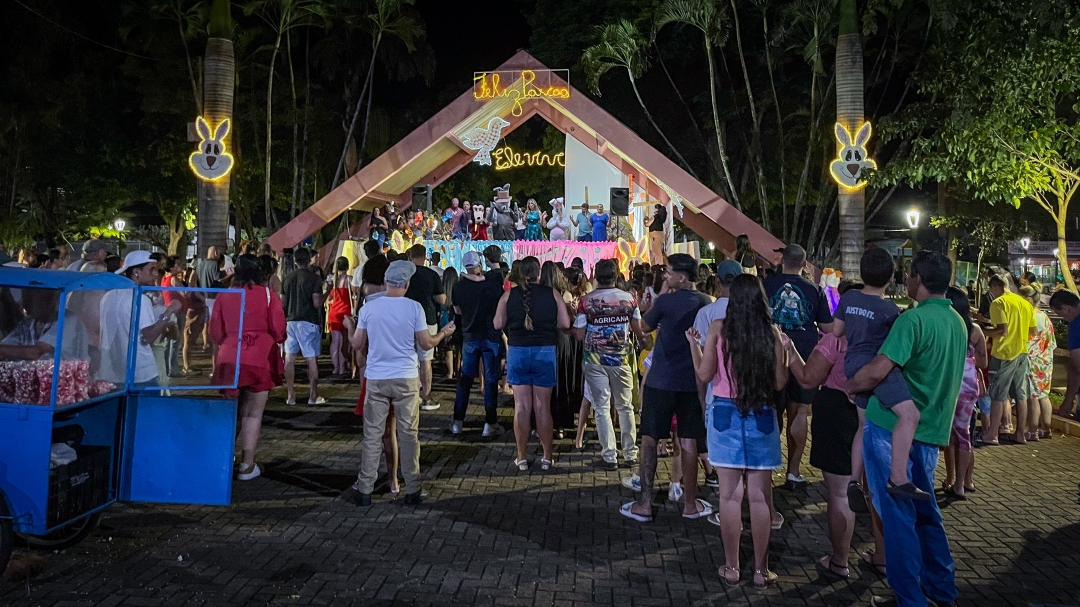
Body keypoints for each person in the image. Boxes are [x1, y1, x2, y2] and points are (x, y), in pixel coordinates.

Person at [847, 251, 965, 607]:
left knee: (897, 518)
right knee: (927, 515)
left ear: (918, 279)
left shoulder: (912, 321)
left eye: (910, 276)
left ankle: (910, 598)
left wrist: (853, 384)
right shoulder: (957, 322)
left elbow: (879, 369)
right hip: (930, 433)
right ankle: (942, 589)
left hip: (889, 429)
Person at [685, 274, 786, 588]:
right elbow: (779, 383)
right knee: (758, 498)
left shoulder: (718, 328)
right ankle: (760, 570)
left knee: (729, 496)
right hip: (761, 413)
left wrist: (694, 345)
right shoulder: (770, 332)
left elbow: (704, 374)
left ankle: (732, 567)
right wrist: (782, 350)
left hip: (725, 413)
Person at [788, 281, 884, 582]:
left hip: (839, 412)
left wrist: (790, 351)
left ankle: (840, 560)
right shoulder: (888, 336)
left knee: (841, 492)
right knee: (877, 490)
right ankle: (882, 557)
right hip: (880, 412)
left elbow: (807, 378)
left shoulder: (836, 341)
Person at [345, 260, 457, 507]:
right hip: (405, 376)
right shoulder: (414, 308)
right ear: (406, 284)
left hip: (376, 377)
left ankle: (365, 488)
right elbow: (426, 344)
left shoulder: (369, 308)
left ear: (386, 282)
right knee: (408, 435)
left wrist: (350, 325)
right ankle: (412, 488)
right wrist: (443, 334)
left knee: (373, 435)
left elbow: (356, 344)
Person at [623, 254, 713, 522]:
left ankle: (645, 503)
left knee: (650, 439)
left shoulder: (666, 301)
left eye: (669, 272)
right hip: (690, 381)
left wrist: (636, 311)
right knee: (688, 440)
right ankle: (690, 504)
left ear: (682, 277)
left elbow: (643, 327)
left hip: (661, 379)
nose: (665, 276)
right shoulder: (705, 303)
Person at [833, 249, 926, 501]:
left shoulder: (850, 297)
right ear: (890, 278)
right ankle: (898, 478)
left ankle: (854, 480)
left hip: (852, 364)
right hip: (876, 368)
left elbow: (837, 331)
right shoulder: (888, 309)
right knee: (909, 415)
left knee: (862, 426)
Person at [208, 254, 287, 481]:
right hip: (260, 356)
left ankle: (222, 458)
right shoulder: (267, 294)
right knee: (253, 414)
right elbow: (279, 329)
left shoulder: (225, 295)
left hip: (230, 355)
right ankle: (247, 464)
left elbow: (216, 333)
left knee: (230, 412)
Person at [763, 244, 833, 488]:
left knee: (772, 410)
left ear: (782, 260)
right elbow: (827, 327)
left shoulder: (767, 285)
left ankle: (769, 468)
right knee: (800, 410)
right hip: (804, 353)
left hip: (772, 351)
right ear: (804, 265)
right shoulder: (815, 290)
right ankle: (793, 471)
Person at [494, 256, 570, 471]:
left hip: (518, 351)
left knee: (522, 407)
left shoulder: (509, 295)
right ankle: (547, 457)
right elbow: (565, 323)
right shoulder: (552, 294)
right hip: (545, 351)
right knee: (542, 407)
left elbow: (498, 323)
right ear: (538, 273)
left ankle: (522, 457)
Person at [572, 259, 641, 470]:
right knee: (625, 406)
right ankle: (630, 453)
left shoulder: (587, 301)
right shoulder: (629, 299)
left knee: (601, 407)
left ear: (595, 276)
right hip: (620, 358)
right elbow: (638, 328)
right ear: (616, 275)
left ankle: (609, 455)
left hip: (594, 359)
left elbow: (580, 334)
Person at [99, 251, 182, 387]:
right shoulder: (140, 299)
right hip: (140, 373)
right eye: (152, 269)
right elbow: (148, 336)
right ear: (136, 272)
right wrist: (169, 311)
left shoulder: (108, 296)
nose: (156, 274)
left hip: (113, 372)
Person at [941, 287, 988, 501]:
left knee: (948, 435)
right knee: (964, 434)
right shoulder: (975, 329)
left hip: (948, 380)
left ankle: (950, 478)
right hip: (968, 382)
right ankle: (961, 483)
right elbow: (984, 362)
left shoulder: (946, 324)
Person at [451, 251, 504, 436]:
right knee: (490, 381)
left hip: (470, 336)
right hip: (490, 335)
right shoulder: (491, 284)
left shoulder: (458, 288)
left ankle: (458, 421)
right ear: (480, 264)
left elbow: (457, 311)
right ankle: (489, 423)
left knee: (465, 380)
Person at [983, 274, 1036, 444]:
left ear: (996, 287)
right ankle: (1020, 433)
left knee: (998, 394)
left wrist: (982, 332)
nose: (991, 292)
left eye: (990, 288)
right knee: (1021, 395)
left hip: (1004, 353)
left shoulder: (998, 303)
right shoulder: (1024, 303)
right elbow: (1033, 331)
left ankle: (992, 435)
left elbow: (1001, 331)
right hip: (1022, 351)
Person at [404, 244, 446, 411]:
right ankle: (427, 397)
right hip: (427, 318)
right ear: (424, 257)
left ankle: (411, 396)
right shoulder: (432, 275)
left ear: (410, 256)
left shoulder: (406, 274)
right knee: (425, 360)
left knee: (409, 359)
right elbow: (442, 299)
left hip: (405, 319)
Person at [282, 247, 326, 406]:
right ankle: (313, 396)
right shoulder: (314, 279)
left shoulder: (287, 278)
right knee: (311, 358)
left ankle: (290, 395)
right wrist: (327, 293)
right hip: (308, 321)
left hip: (290, 321)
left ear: (295, 261)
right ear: (309, 260)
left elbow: (283, 303)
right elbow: (317, 303)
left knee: (289, 358)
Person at [1020, 285, 1055, 441]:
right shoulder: (1045, 317)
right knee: (1043, 395)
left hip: (1033, 360)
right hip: (1046, 360)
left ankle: (1032, 431)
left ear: (1028, 299)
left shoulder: (1031, 316)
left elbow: (1028, 339)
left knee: (1033, 395)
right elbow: (1052, 343)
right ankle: (1046, 428)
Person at [1050, 289, 1080, 420]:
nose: (1064, 319)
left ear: (1066, 309)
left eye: (1060, 314)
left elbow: (1076, 367)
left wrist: (1068, 400)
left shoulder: (1076, 325)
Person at [160, 256, 190, 379]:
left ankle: (167, 368)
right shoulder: (173, 279)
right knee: (175, 342)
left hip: (169, 311)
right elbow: (185, 293)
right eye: (177, 264)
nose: (180, 266)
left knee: (168, 342)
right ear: (171, 267)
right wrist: (190, 283)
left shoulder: (164, 278)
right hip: (178, 312)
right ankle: (173, 370)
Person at [326, 257, 353, 379]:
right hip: (346, 313)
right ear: (347, 267)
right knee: (344, 342)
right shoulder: (349, 280)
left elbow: (329, 299)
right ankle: (342, 367)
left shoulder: (333, 280)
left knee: (335, 341)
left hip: (334, 313)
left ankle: (335, 367)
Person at [440, 267, 460, 379]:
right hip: (456, 319)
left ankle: (450, 372)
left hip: (445, 320)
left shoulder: (442, 289)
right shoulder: (458, 289)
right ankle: (458, 369)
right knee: (458, 347)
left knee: (448, 347)